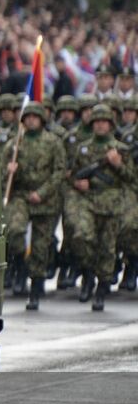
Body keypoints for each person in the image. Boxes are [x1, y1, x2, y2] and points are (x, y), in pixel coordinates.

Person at [65, 104, 133, 310]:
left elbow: (132, 178)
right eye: (97, 122)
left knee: (107, 249)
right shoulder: (83, 148)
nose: (101, 125)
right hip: (88, 200)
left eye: (104, 122)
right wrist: (77, 183)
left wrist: (118, 164)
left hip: (112, 203)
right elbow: (71, 175)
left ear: (111, 124)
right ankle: (87, 274)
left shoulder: (120, 150)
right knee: (82, 236)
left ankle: (102, 289)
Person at [4, 103, 67, 310]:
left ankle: (35, 289)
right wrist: (9, 169)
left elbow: (59, 172)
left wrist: (42, 193)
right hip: (21, 195)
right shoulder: (15, 144)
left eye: (35, 117)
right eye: (27, 117)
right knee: (14, 231)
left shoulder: (53, 142)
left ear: (42, 120)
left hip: (45, 199)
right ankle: (20, 265)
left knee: (41, 246)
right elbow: (3, 171)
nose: (31, 120)